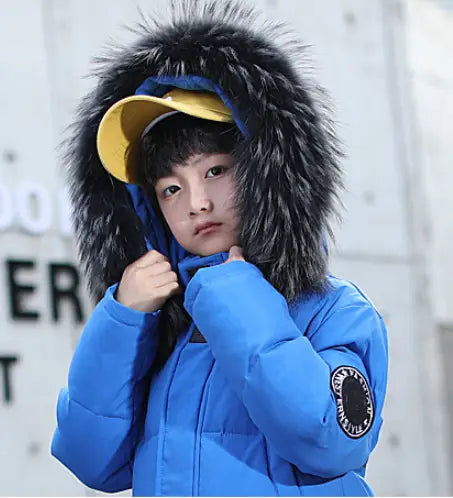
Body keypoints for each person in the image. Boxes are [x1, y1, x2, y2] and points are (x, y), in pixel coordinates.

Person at [51, 0, 388, 496]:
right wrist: (121, 318)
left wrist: (234, 293)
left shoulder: (336, 310)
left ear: (267, 170)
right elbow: (92, 462)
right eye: (171, 188)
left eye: (215, 171)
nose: (197, 203)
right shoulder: (163, 329)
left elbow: (330, 439)